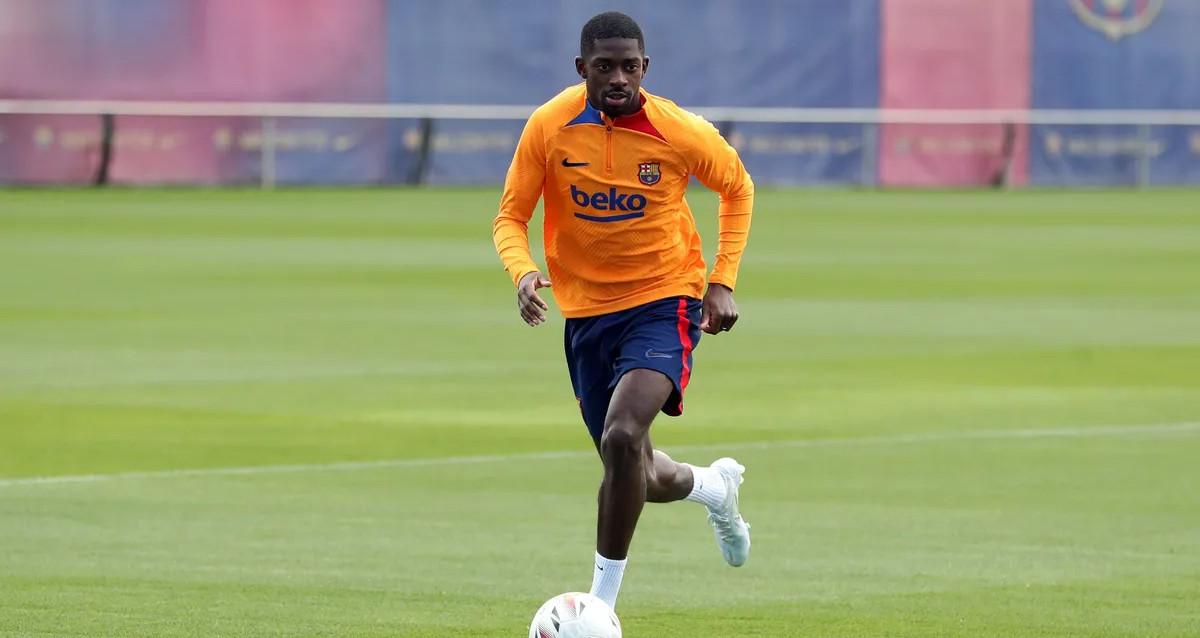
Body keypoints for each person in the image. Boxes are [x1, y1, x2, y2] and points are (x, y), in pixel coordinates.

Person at [491, 10, 754, 609]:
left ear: (645, 68)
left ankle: (601, 606)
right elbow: (510, 215)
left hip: (665, 300)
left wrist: (722, 280)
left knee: (623, 433)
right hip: (586, 315)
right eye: (603, 67)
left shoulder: (678, 130)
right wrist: (524, 271)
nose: (617, 78)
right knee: (636, 467)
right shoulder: (550, 127)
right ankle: (713, 487)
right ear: (581, 68)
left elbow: (737, 187)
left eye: (629, 67)